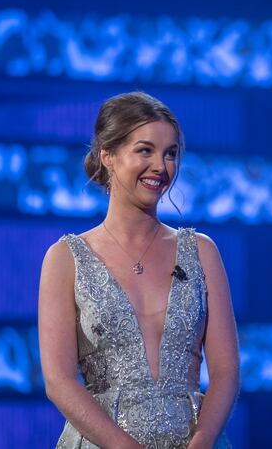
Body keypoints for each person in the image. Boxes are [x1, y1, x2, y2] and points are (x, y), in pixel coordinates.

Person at [39, 92, 239, 449]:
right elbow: (58, 380)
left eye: (170, 153)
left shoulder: (202, 252)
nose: (161, 166)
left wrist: (204, 439)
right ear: (108, 156)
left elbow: (225, 372)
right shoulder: (64, 259)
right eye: (145, 150)